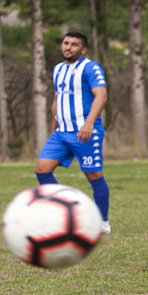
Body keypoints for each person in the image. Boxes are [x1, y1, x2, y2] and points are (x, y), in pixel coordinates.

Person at [35, 31, 110, 234]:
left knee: (93, 175)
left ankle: (103, 222)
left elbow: (101, 96)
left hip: (84, 131)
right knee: (42, 169)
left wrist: (88, 123)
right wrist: (54, 124)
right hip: (62, 132)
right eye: (66, 43)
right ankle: (64, 214)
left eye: (74, 44)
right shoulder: (58, 69)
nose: (68, 47)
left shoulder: (91, 67)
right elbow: (57, 99)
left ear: (83, 49)